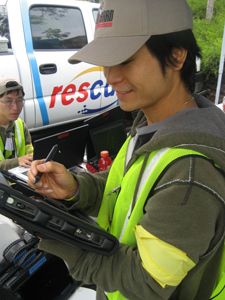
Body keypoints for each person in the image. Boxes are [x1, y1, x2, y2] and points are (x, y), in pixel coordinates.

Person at [27, 0, 225, 299]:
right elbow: (127, 188)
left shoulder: (190, 174)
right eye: (106, 62)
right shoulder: (154, 123)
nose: (110, 76)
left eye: (126, 60)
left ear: (176, 55)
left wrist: (60, 236)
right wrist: (78, 189)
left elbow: (145, 282)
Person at [0, 76, 33, 170]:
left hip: (19, 178)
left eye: (19, 100)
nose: (15, 107)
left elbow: (30, 154)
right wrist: (17, 161)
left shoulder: (20, 125)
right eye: (8, 101)